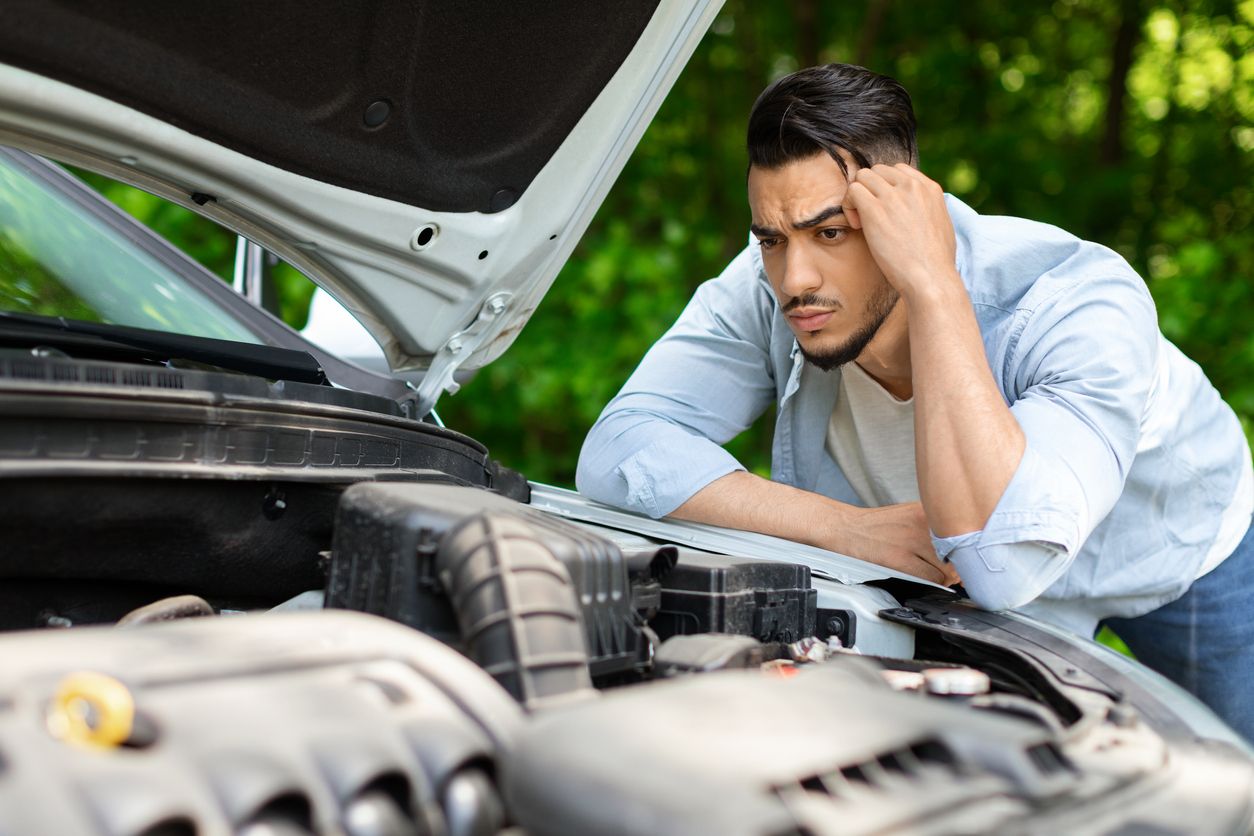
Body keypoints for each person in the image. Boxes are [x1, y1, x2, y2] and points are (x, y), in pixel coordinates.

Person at [576, 63, 1254, 736]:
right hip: (978, 590)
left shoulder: (1076, 297)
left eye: (830, 232)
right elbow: (620, 446)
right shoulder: (772, 289)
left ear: (900, 209)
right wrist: (846, 529)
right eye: (772, 240)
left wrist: (933, 285)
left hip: (1174, 551)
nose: (795, 278)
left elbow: (1006, 556)